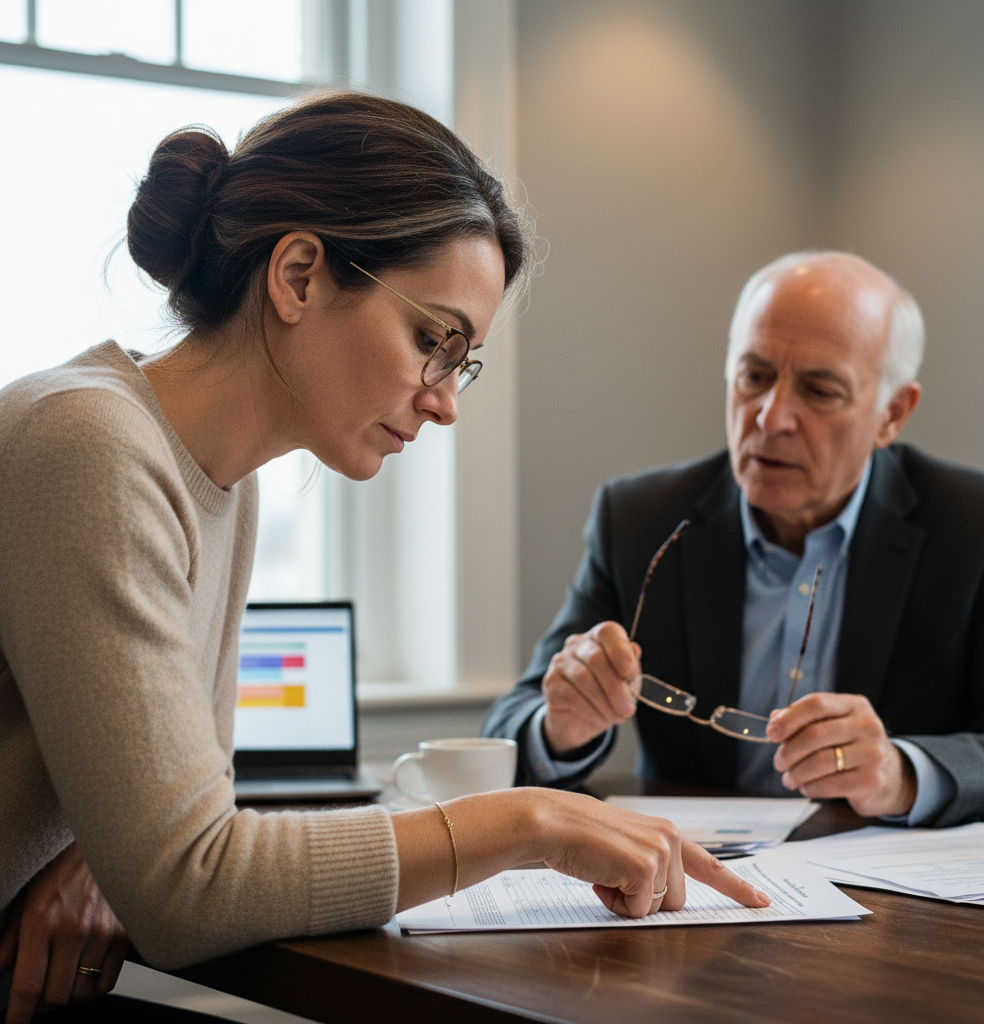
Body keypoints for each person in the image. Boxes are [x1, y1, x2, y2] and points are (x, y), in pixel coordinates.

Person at [0, 93, 769, 1023]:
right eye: (432, 342)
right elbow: (191, 889)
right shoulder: (90, 443)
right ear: (297, 276)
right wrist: (526, 821)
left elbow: (182, 832)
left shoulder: (216, 479)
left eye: (463, 362)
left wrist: (109, 854)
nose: (446, 403)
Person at [484, 250, 984, 829]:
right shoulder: (642, 521)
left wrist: (902, 773)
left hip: (894, 899)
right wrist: (559, 727)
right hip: (688, 889)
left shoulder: (980, 528)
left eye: (819, 390)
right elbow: (512, 728)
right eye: (755, 377)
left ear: (892, 413)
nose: (771, 418)